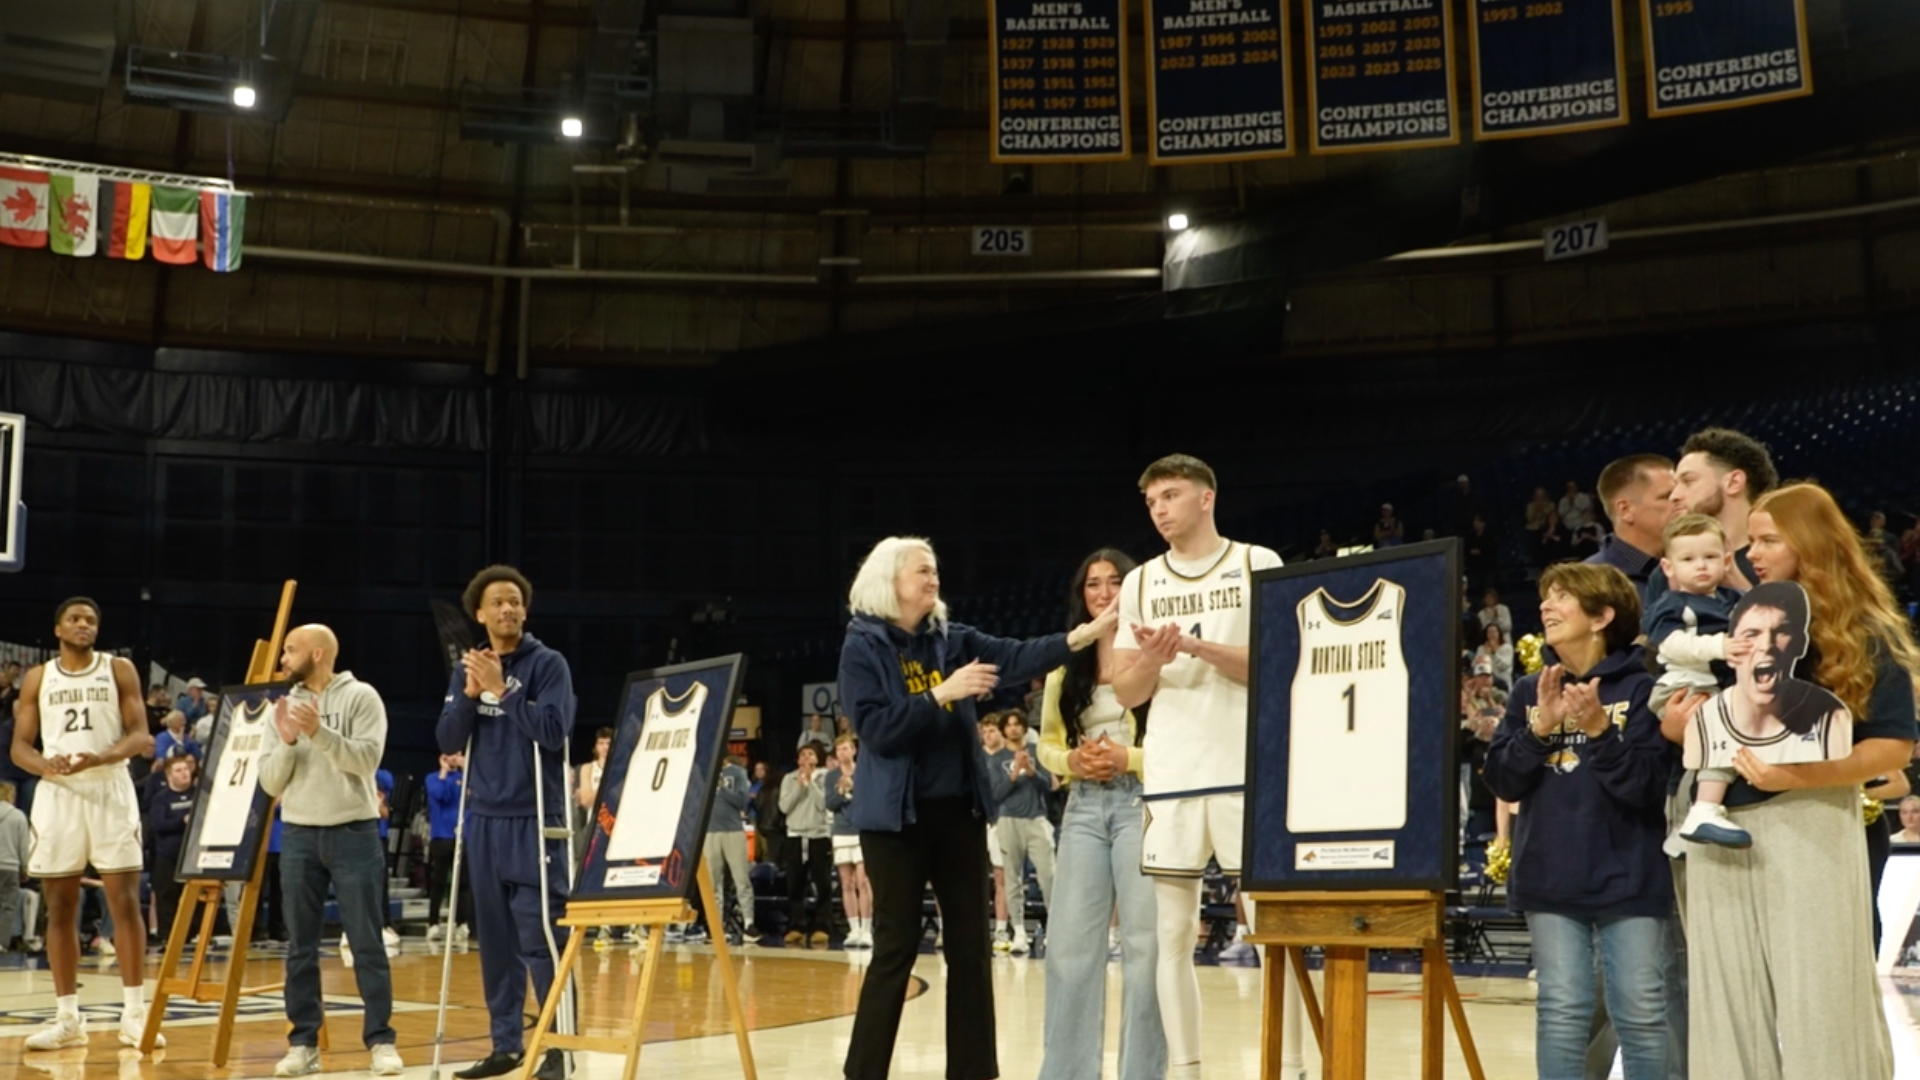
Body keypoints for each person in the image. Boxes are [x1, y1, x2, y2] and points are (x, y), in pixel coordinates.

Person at [1666, 481, 1919, 1080]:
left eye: (1768, 540)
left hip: (1811, 823)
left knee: (1822, 997)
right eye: (1751, 540)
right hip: (1719, 829)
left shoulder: (1863, 629)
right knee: (1725, 1001)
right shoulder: (1746, 623)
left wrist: (1799, 777)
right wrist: (1688, 727)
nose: (1752, 552)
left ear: (1810, 542)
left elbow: (1892, 746)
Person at [837, 535, 1114, 1080]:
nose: (932, 578)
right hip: (896, 822)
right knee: (894, 950)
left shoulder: (952, 640)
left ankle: (975, 1072)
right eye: (921, 570)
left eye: (935, 569)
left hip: (958, 814)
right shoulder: (862, 645)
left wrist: (1085, 635)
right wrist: (943, 693)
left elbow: (1017, 656)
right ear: (888, 581)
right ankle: (863, 1072)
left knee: (971, 949)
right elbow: (876, 729)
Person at [1109, 454, 1282, 1080]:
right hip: (1173, 773)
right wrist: (1156, 659)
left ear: (1206, 498)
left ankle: (1285, 1065)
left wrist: (1192, 645)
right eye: (1151, 500)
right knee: (1170, 935)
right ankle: (1185, 1069)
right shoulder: (1141, 582)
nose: (1159, 509)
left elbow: (1274, 661)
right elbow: (1127, 691)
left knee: (1269, 931)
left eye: (1171, 495)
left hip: (1247, 768)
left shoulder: (1256, 562)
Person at [1484, 564, 1673, 1080]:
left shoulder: (1642, 688)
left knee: (1641, 1013)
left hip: (1630, 876)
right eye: (1546, 596)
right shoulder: (1529, 690)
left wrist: (1599, 731)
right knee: (1562, 1012)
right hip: (1549, 876)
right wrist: (1540, 729)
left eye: (1562, 597)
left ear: (1602, 616)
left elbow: (1648, 788)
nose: (1546, 606)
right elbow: (1502, 781)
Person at [436, 565, 579, 1080]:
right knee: (495, 940)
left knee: (541, 936)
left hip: (535, 816)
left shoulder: (549, 665)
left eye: (515, 601)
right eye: (497, 602)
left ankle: (559, 1045)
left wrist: (504, 689)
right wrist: (474, 694)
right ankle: (506, 1045)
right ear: (480, 613)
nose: (508, 609)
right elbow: (449, 739)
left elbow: (555, 731)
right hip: (484, 820)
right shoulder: (466, 669)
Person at [1037, 547, 1166, 1080]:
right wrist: (1072, 759)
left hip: (1143, 805)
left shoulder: (1159, 654)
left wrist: (1126, 758)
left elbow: (1183, 746)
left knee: (1147, 953)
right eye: (1094, 584)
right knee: (1069, 951)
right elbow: (1046, 743)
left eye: (1115, 582)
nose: (1105, 593)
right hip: (1084, 809)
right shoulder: (1065, 669)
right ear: (1081, 595)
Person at [10, 598, 159, 1050]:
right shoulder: (38, 677)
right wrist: (45, 766)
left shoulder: (119, 670)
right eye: (75, 619)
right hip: (59, 792)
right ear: (58, 628)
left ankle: (133, 1015)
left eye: (91, 620)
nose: (83, 625)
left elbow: (140, 735)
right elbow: (20, 746)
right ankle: (68, 1019)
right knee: (60, 907)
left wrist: (103, 755)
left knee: (125, 901)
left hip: (109, 784)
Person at [258, 624, 404, 1078]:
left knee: (366, 943)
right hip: (300, 835)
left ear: (317, 654)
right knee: (300, 946)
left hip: (354, 833)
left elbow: (365, 762)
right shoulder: (282, 706)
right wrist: (285, 742)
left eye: (291, 650)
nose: (283, 658)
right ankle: (303, 1043)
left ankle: (380, 1040)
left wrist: (319, 733)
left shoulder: (362, 697)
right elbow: (269, 782)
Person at [1646, 514, 1750, 853]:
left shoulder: (1733, 601)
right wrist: (1719, 646)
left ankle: (1682, 828)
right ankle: (1703, 809)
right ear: (1668, 567)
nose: (1701, 566)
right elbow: (1671, 645)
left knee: (1694, 757)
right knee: (1720, 741)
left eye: (1710, 557)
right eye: (1688, 559)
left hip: (1717, 685)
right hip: (1681, 686)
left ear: (1726, 559)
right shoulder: (1671, 604)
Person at [991, 712, 1055, 955]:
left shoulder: (1037, 752)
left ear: (1024, 728)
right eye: (1009, 725)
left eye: (1018, 724)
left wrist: (1030, 771)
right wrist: (1014, 773)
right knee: (1012, 878)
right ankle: (1018, 931)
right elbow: (995, 795)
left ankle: (1053, 929)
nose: (1014, 729)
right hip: (1008, 820)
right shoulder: (996, 758)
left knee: (1049, 875)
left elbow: (1050, 785)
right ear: (1003, 730)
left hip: (1036, 819)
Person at [1586, 454, 1677, 597]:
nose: (1681, 502)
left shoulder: (1698, 566)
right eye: (1666, 497)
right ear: (1625, 510)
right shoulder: (1589, 583)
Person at [780, 742, 832, 945]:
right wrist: (799, 786)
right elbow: (784, 807)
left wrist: (810, 783)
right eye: (802, 754)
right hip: (794, 836)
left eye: (810, 754)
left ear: (817, 758)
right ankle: (796, 926)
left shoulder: (826, 777)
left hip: (818, 836)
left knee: (823, 884)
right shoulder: (788, 778)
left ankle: (822, 926)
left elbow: (823, 804)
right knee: (795, 884)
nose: (806, 758)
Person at [144, 753, 199, 945]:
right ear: (169, 776)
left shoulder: (198, 794)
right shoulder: (161, 798)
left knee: (194, 897)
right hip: (167, 856)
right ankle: (167, 936)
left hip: (193, 855)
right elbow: (158, 824)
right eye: (179, 770)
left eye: (186, 769)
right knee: (166, 897)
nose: (185, 773)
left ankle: (193, 934)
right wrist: (182, 821)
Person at [705, 751, 758, 943]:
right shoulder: (704, 771)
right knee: (712, 882)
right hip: (709, 831)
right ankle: (715, 926)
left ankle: (749, 924)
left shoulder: (737, 772)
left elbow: (742, 801)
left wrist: (721, 787)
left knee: (741, 877)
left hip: (733, 830)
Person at [822, 736, 869, 948]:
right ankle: (854, 929)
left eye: (846, 748)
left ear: (854, 750)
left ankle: (867, 929)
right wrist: (841, 791)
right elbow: (830, 804)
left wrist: (854, 788)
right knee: (846, 883)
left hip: (861, 830)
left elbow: (870, 798)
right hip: (841, 831)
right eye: (839, 749)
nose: (843, 752)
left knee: (863, 882)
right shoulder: (831, 776)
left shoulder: (864, 771)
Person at [425, 751, 473, 946]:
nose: (453, 758)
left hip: (462, 835)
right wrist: (444, 773)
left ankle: (461, 922)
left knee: (462, 882)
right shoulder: (432, 778)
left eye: (457, 754)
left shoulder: (465, 778)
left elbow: (475, 795)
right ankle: (433, 923)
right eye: (449, 755)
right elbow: (439, 795)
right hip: (441, 836)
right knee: (438, 881)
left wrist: (465, 768)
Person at [0, 779, 26, 953]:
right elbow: (23, 846)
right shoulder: (18, 816)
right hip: (10, 867)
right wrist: (25, 868)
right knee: (7, 907)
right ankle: (1, 942)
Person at [1474, 625, 1515, 689]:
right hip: (1485, 681)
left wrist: (1494, 652)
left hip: (1502, 680)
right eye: (1489, 632)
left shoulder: (1507, 648)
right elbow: (1474, 665)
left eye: (1494, 631)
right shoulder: (1481, 648)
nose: (1492, 634)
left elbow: (1504, 665)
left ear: (1499, 633)